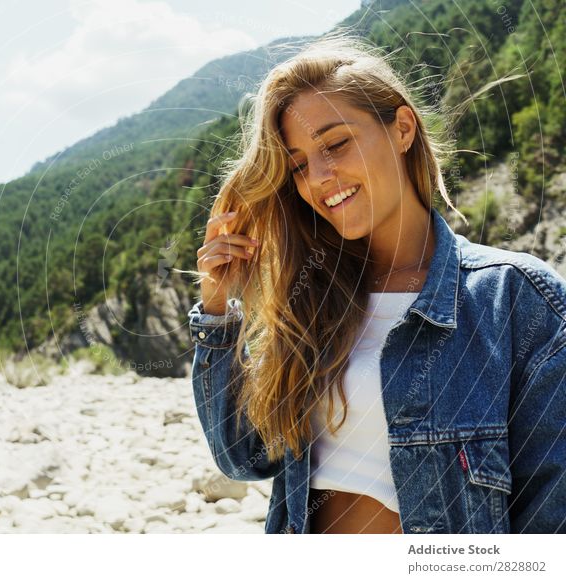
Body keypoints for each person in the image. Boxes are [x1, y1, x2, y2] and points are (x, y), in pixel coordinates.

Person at [186, 32, 566, 534]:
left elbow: (550, 513)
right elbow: (243, 458)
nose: (319, 176)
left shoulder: (515, 299)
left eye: (336, 143)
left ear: (402, 127)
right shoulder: (313, 304)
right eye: (298, 164)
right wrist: (218, 310)